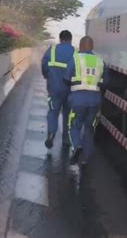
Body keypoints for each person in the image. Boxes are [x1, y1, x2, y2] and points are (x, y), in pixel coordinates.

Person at [64, 36, 108, 165]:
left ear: (80, 45)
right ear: (92, 47)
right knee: (89, 129)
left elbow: (66, 79)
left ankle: (77, 146)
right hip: (95, 100)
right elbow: (105, 83)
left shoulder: (75, 59)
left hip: (78, 99)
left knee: (74, 125)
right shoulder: (101, 61)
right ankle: (85, 159)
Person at [41, 30, 75, 149]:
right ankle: (66, 138)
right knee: (68, 113)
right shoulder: (75, 52)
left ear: (60, 39)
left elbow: (44, 64)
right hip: (70, 89)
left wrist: (46, 75)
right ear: (71, 40)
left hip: (54, 88)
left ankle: (51, 134)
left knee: (53, 111)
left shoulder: (52, 50)